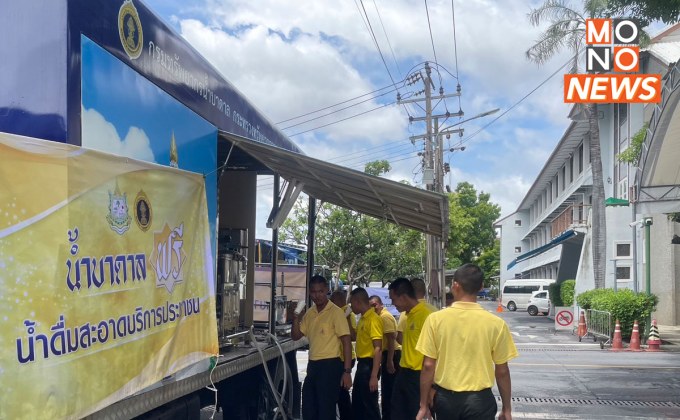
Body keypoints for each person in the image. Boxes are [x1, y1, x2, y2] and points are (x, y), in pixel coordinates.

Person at [415, 264, 518, 420]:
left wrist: (423, 405)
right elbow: (502, 371)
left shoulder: (435, 320)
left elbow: (428, 366)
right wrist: (507, 409)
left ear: (455, 285)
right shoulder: (496, 323)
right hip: (480, 402)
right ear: (481, 286)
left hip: (446, 401)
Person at [292, 275, 353, 420]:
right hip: (313, 366)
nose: (317, 295)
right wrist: (296, 317)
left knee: (326, 410)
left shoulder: (336, 312)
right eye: (313, 292)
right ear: (309, 292)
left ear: (327, 290)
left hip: (331, 366)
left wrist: (347, 371)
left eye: (320, 291)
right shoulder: (310, 313)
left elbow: (346, 342)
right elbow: (296, 336)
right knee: (309, 408)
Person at [388, 278, 435, 420]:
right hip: (404, 373)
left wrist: (432, 387)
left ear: (403, 297)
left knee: (415, 414)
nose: (392, 304)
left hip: (419, 376)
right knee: (397, 413)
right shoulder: (408, 315)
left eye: (393, 299)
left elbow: (438, 353)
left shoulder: (428, 315)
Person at [349, 287, 383, 420]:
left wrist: (374, 375)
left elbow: (378, 348)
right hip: (362, 364)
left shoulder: (373, 319)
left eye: (352, 303)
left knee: (369, 404)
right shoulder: (363, 319)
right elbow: (354, 336)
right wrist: (346, 318)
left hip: (369, 365)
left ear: (358, 302)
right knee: (358, 401)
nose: (351, 307)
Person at [369, 295, 401, 420]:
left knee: (389, 391)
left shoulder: (384, 316)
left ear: (381, 304)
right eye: (370, 306)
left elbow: (391, 339)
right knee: (387, 390)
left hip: (392, 354)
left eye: (375, 305)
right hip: (388, 354)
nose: (373, 308)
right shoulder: (378, 317)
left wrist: (389, 361)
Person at [331, 289, 357, 420]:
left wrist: (345, 319)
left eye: (333, 299)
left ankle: (347, 416)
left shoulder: (347, 313)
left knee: (342, 390)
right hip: (337, 357)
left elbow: (352, 336)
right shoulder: (334, 312)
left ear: (340, 300)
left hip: (345, 358)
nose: (330, 301)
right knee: (337, 389)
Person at [396, 278, 437, 345]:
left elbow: (399, 338)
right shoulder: (434, 310)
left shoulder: (406, 312)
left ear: (409, 292)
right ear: (425, 291)